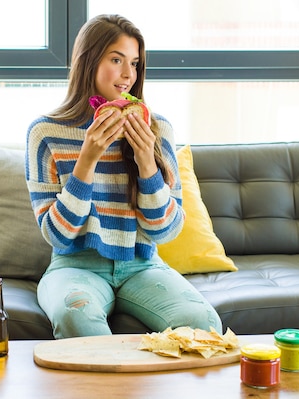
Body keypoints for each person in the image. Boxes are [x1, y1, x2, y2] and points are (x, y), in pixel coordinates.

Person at [26, 14, 222, 339]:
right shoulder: (46, 133)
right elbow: (57, 236)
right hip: (75, 266)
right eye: (116, 60)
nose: (128, 74)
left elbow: (167, 230)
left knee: (204, 324)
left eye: (134, 62)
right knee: (76, 318)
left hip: (142, 265)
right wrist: (87, 159)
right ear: (87, 61)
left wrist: (146, 161)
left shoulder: (158, 129)